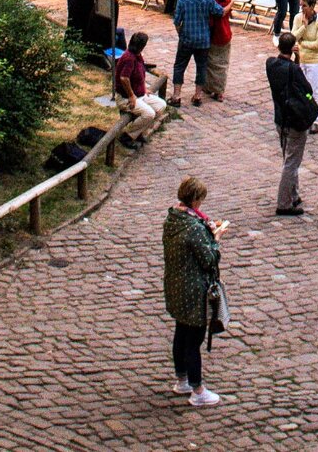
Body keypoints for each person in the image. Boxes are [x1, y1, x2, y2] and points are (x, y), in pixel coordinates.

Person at [162, 177, 224, 404]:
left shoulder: (173, 219)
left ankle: (182, 379)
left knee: (181, 332)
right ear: (195, 199)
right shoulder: (193, 228)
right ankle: (198, 390)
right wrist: (215, 239)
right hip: (193, 288)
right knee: (194, 338)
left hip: (175, 285)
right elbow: (209, 260)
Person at [265, 31, 317, 215]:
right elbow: (307, 88)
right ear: (293, 47)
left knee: (289, 158)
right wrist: (298, 59)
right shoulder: (294, 69)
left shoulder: (270, 64)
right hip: (295, 120)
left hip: (280, 118)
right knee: (292, 163)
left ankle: (293, 194)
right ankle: (284, 203)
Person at [168, 0, 224, 106]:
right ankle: (198, 95)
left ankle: (176, 96)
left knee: (179, 66)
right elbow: (220, 12)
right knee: (201, 67)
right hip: (203, 39)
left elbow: (177, 21)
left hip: (187, 38)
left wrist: (180, 34)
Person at [114, 30, 168, 143]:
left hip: (140, 94)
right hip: (125, 97)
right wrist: (131, 95)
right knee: (149, 113)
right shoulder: (129, 58)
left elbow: (139, 74)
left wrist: (143, 88)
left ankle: (138, 131)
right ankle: (128, 135)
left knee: (161, 105)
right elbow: (124, 78)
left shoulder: (137, 56)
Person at [293, 0, 318, 114]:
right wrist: (303, 27)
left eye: (304, 6)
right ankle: (303, 115)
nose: (302, 9)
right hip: (300, 59)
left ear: (312, 6)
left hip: (314, 61)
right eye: (301, 6)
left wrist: (302, 44)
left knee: (313, 90)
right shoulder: (298, 18)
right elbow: (293, 37)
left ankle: (315, 120)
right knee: (301, 90)